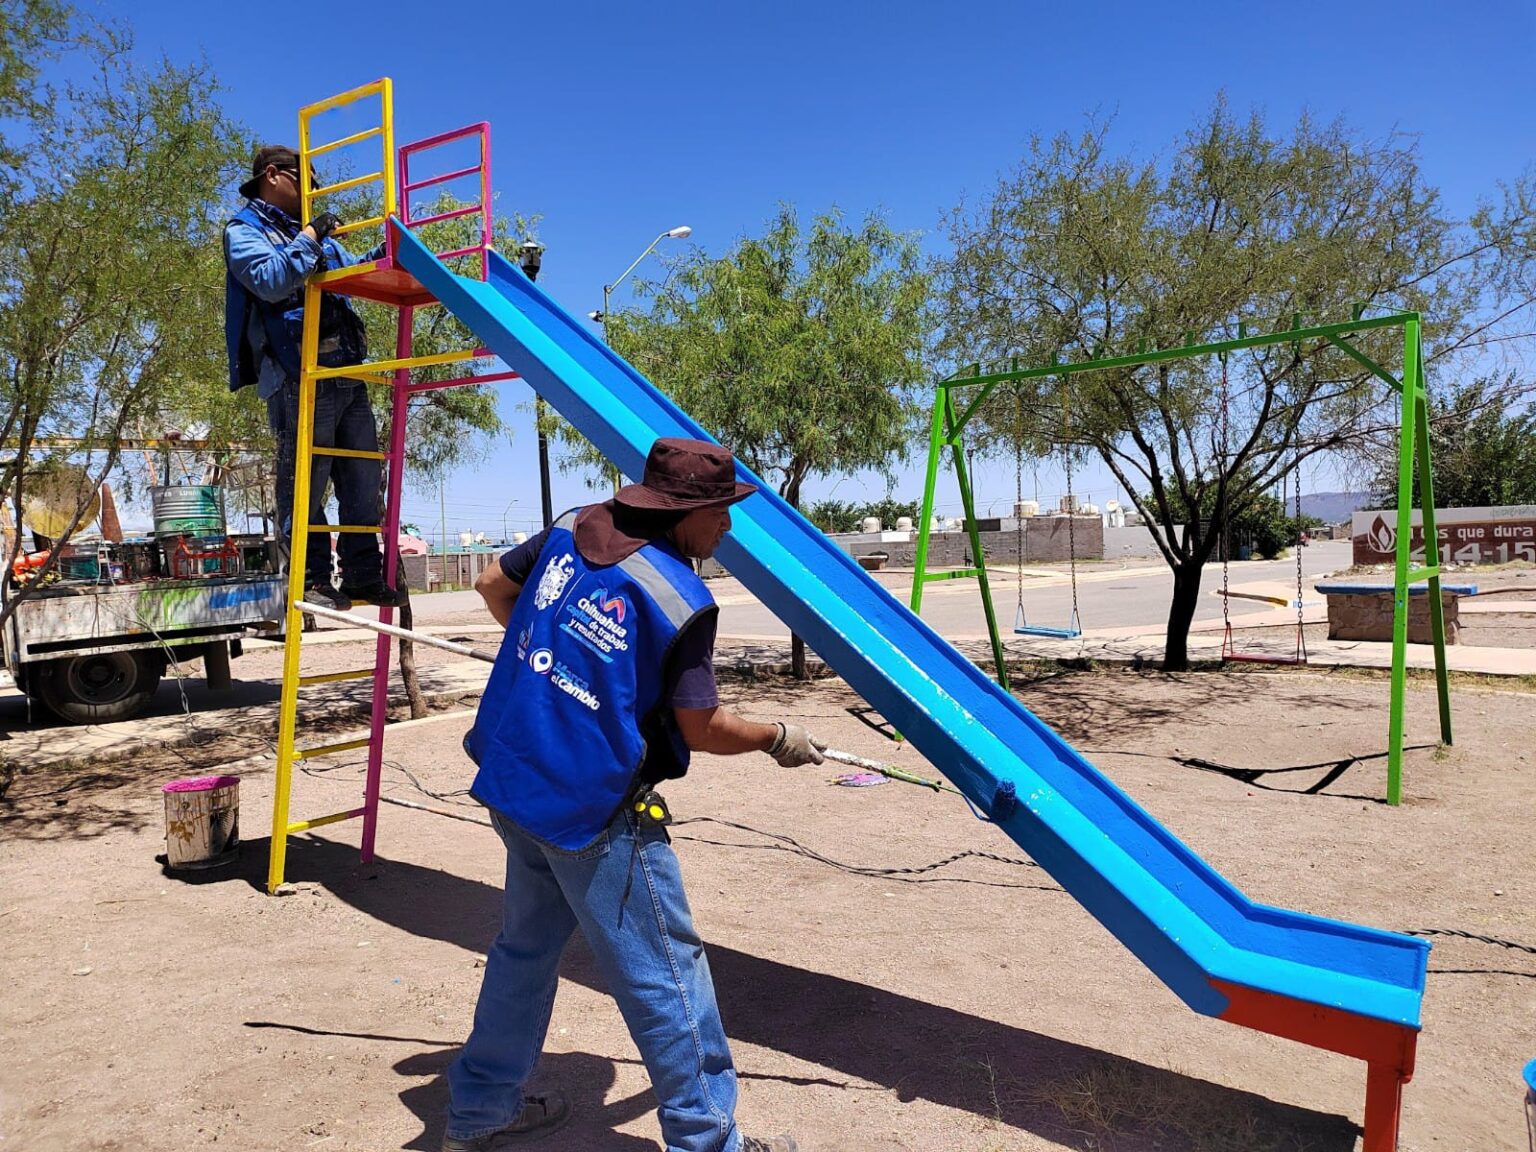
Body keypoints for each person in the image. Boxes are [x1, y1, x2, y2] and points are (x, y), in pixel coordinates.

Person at [445, 438, 821, 1152]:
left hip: (514, 773)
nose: (728, 530)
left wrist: (551, 675)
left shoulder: (569, 527)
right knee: (667, 977)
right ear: (684, 512)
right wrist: (777, 737)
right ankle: (708, 1141)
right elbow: (702, 728)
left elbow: (494, 585)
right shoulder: (677, 596)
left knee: (522, 952)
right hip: (592, 811)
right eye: (720, 513)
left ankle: (476, 1115)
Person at [222, 144, 399, 611]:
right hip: (298, 373)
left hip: (346, 371)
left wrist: (389, 251)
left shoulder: (316, 236)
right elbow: (269, 280)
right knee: (305, 481)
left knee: (362, 480)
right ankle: (312, 577)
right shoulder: (244, 231)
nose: (313, 193)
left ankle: (362, 574)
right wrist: (310, 238)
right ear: (274, 176)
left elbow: (352, 271)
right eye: (307, 182)